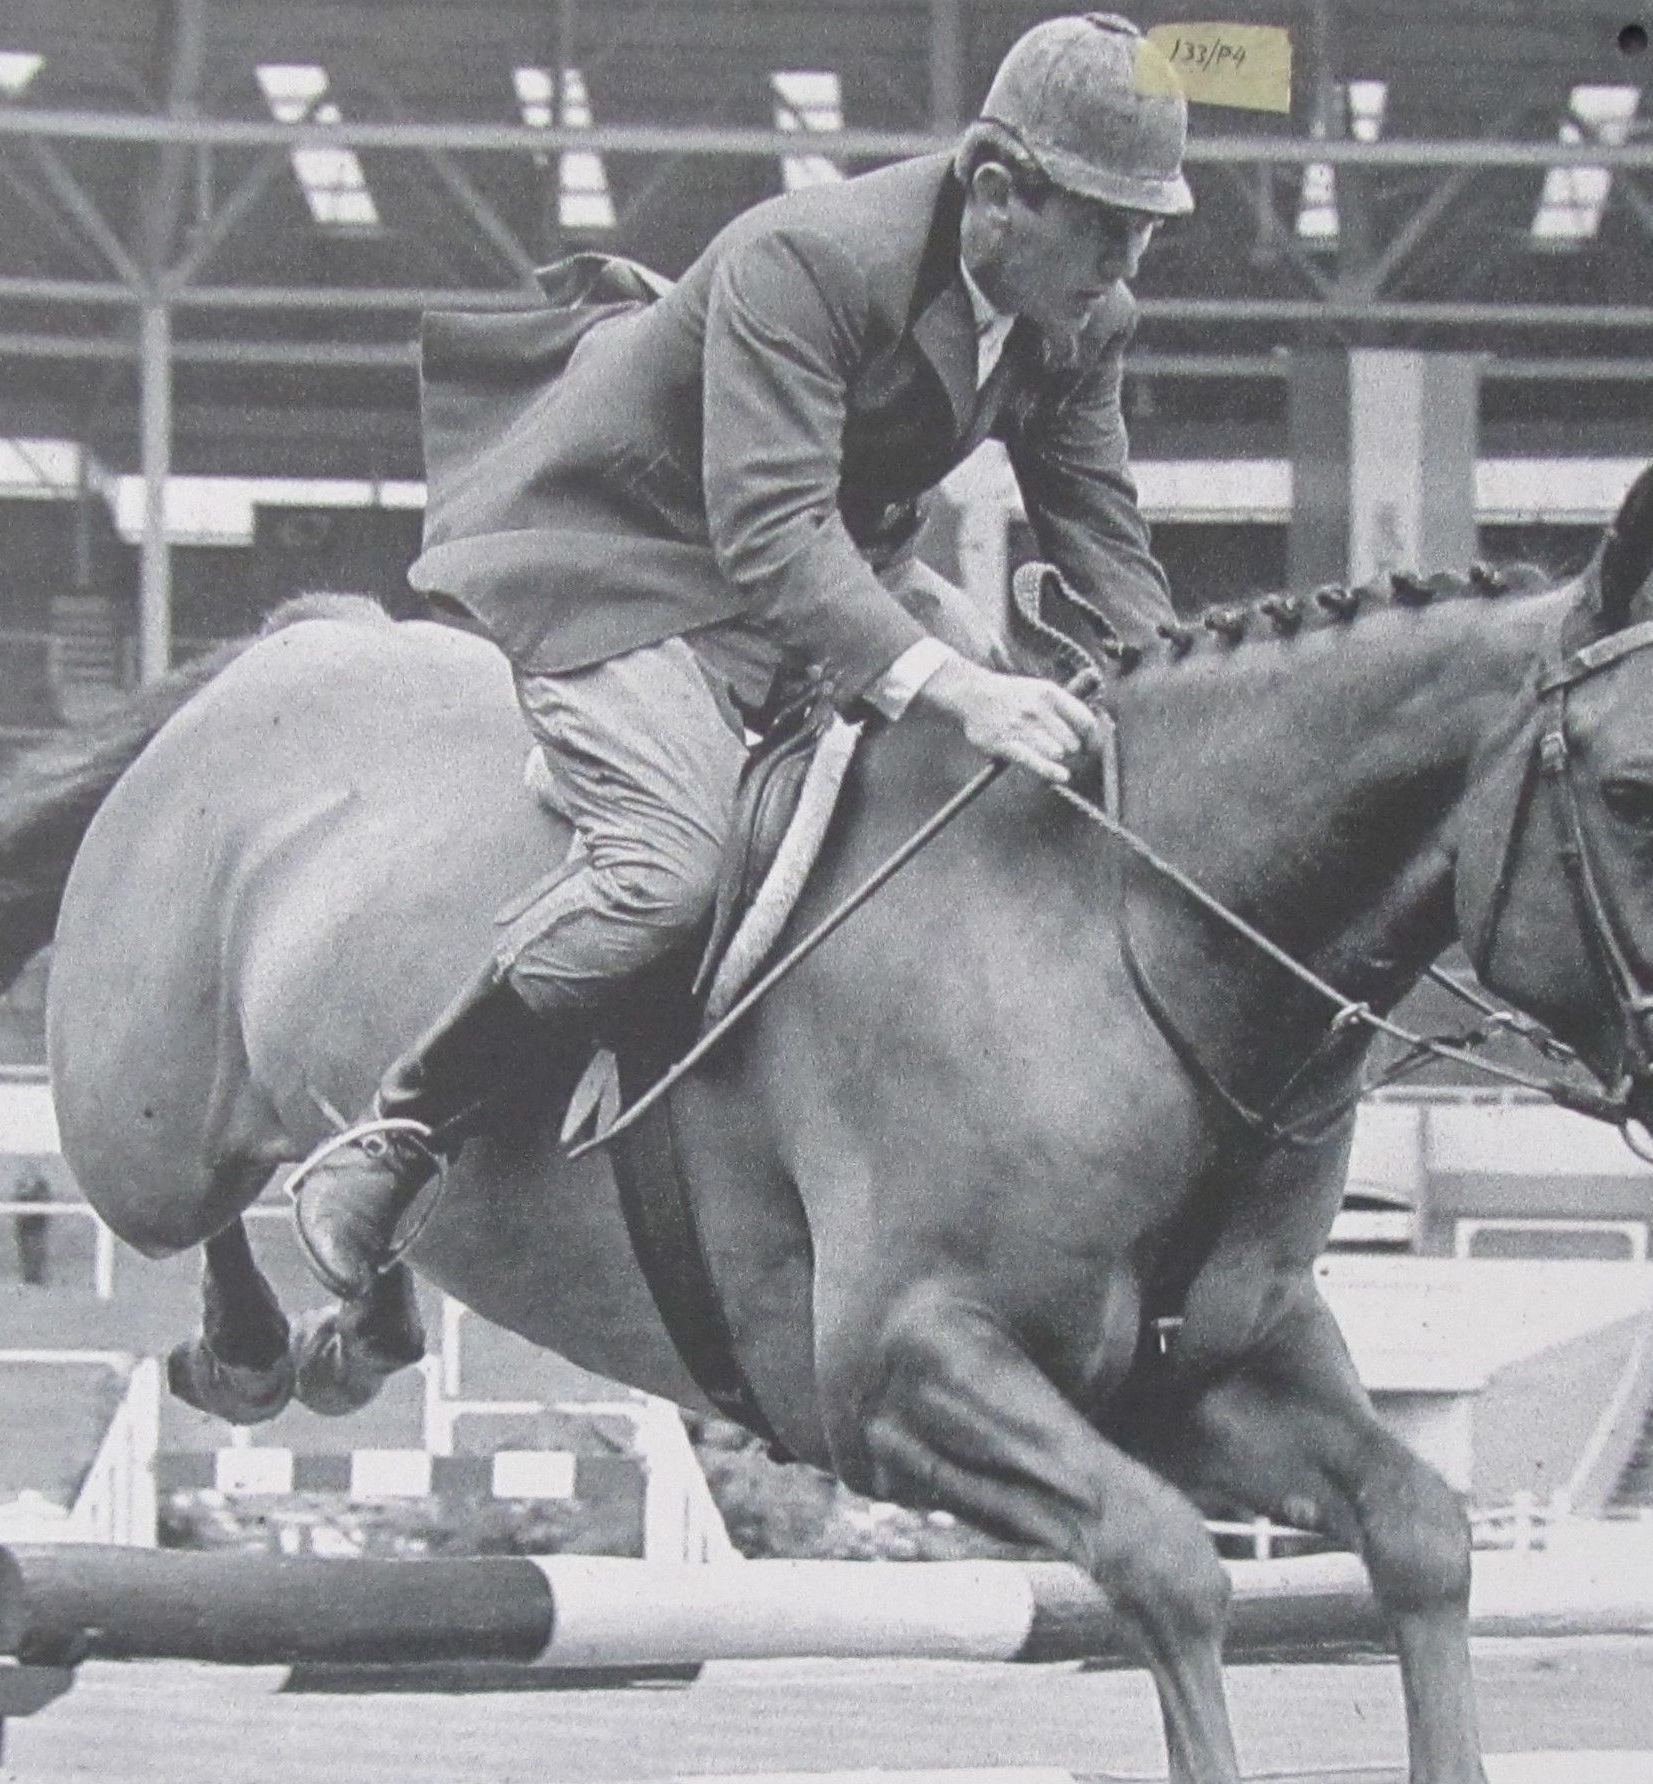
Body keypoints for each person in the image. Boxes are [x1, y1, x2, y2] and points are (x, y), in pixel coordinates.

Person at [288, 11, 1190, 1297]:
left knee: (1017, 779)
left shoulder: (1082, 313)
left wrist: (1176, 692)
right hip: (628, 559)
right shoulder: (807, 258)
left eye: (1147, 228)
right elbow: (765, 533)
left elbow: (1097, 526)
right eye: (1106, 224)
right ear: (997, 190)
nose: (1125, 261)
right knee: (670, 874)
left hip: (838, 567)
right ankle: (399, 1133)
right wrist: (962, 687)